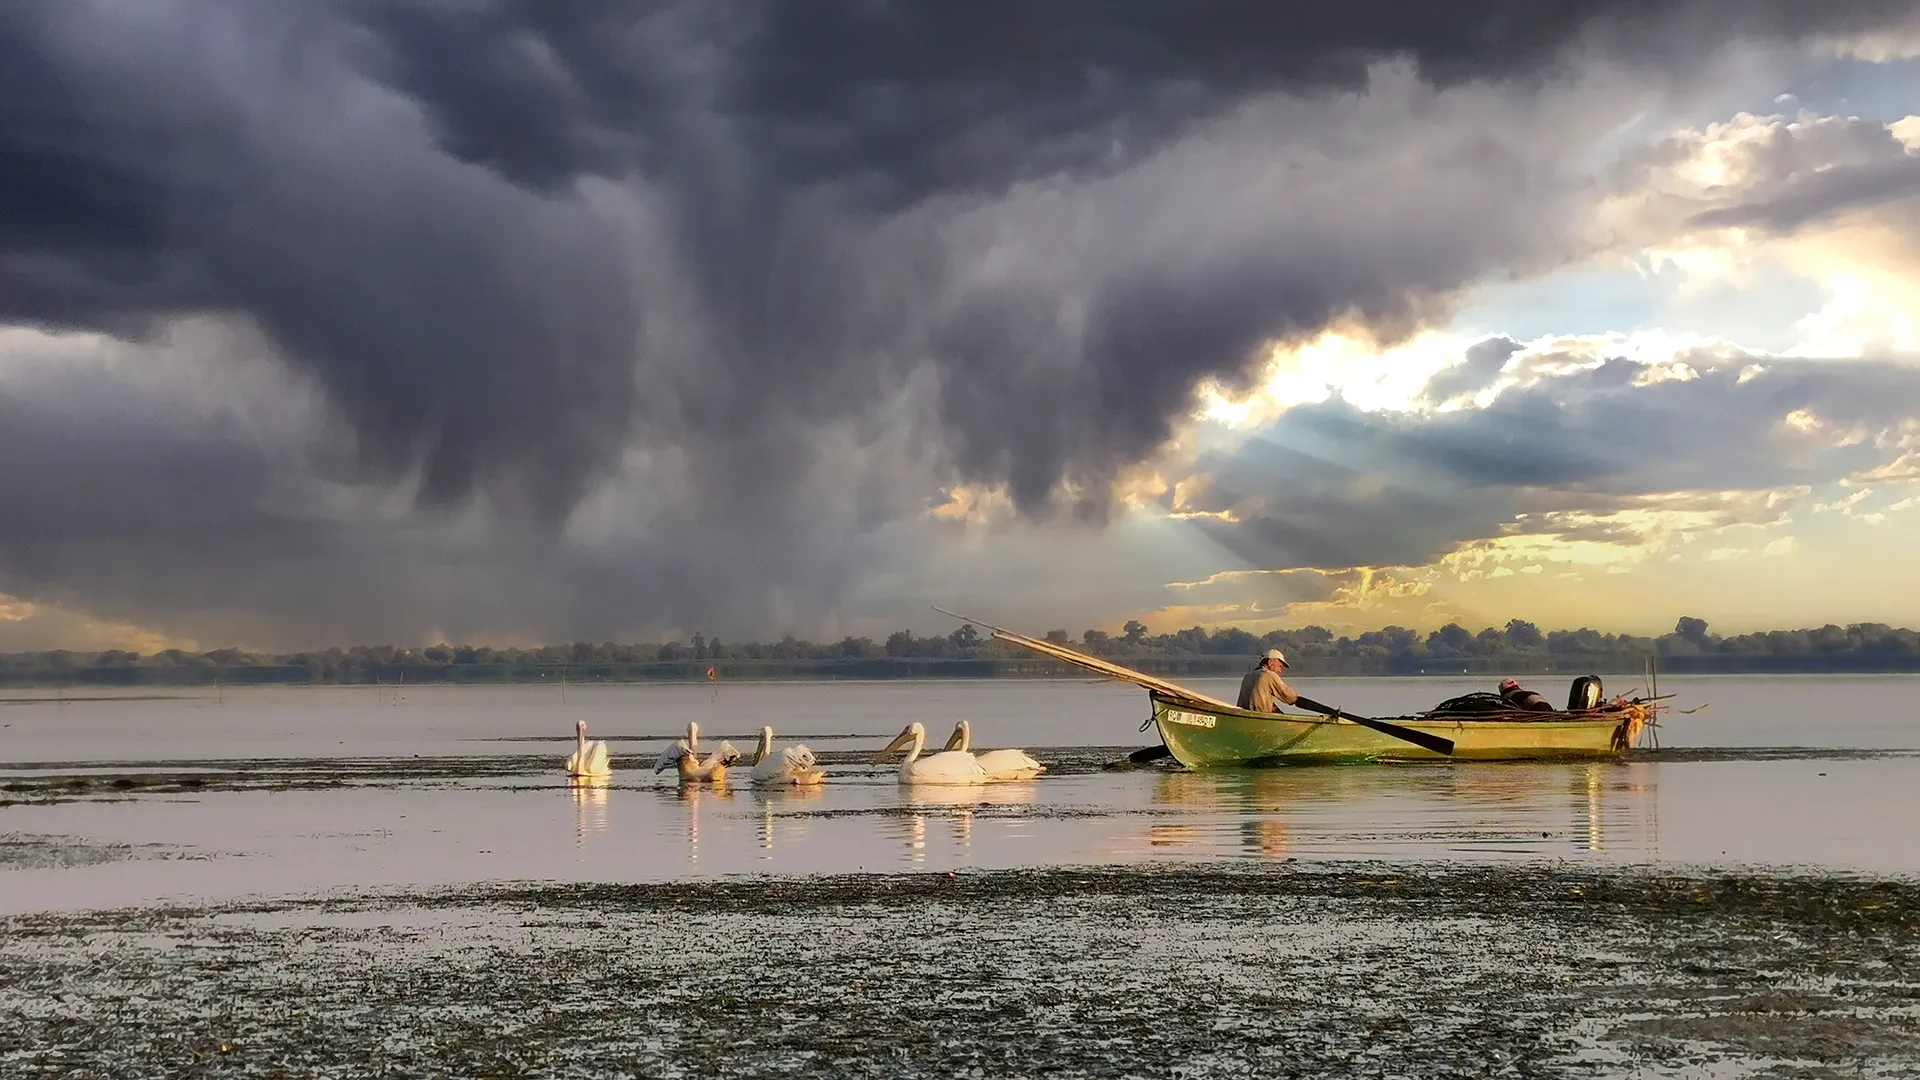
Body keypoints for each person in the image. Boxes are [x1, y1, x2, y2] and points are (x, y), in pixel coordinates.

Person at [1238, 648, 1299, 712]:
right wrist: (1299, 700)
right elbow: (1289, 696)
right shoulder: (1269, 675)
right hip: (1260, 715)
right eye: (1280, 666)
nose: (1280, 671)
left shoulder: (1248, 676)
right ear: (1270, 663)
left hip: (1244, 713)